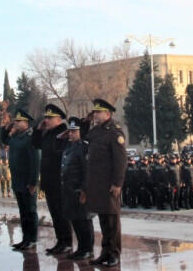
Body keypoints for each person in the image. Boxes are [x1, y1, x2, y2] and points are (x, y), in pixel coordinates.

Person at [84, 99, 127, 267]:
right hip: (97, 184)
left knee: (112, 221)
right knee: (103, 219)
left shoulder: (114, 132)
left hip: (110, 184)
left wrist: (117, 183)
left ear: (107, 114)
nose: (95, 114)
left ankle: (115, 253)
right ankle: (105, 252)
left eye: (98, 112)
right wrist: (85, 122)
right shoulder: (95, 131)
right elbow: (83, 138)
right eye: (94, 112)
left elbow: (121, 161)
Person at [32, 104, 72, 255]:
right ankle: (60, 241)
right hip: (49, 180)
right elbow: (36, 144)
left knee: (62, 214)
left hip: (59, 181)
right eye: (46, 118)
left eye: (50, 118)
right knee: (55, 214)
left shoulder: (64, 133)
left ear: (59, 119)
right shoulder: (48, 134)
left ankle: (67, 242)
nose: (46, 120)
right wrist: (38, 130)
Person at [0, 108, 41, 251]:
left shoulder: (31, 138)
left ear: (26, 123)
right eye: (15, 121)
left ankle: (32, 240)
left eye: (19, 121)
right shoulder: (15, 138)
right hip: (17, 181)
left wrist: (33, 182)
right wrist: (6, 128)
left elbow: (35, 162)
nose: (16, 123)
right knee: (23, 212)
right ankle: (25, 239)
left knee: (30, 212)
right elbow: (4, 140)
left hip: (27, 182)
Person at [58, 116, 95, 261]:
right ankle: (81, 248)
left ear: (80, 132)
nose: (71, 134)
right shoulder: (68, 146)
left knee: (84, 221)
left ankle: (88, 249)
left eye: (74, 131)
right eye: (70, 131)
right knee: (75, 221)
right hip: (69, 190)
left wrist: (85, 190)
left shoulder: (83, 147)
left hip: (80, 191)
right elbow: (56, 144)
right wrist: (63, 135)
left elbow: (87, 171)